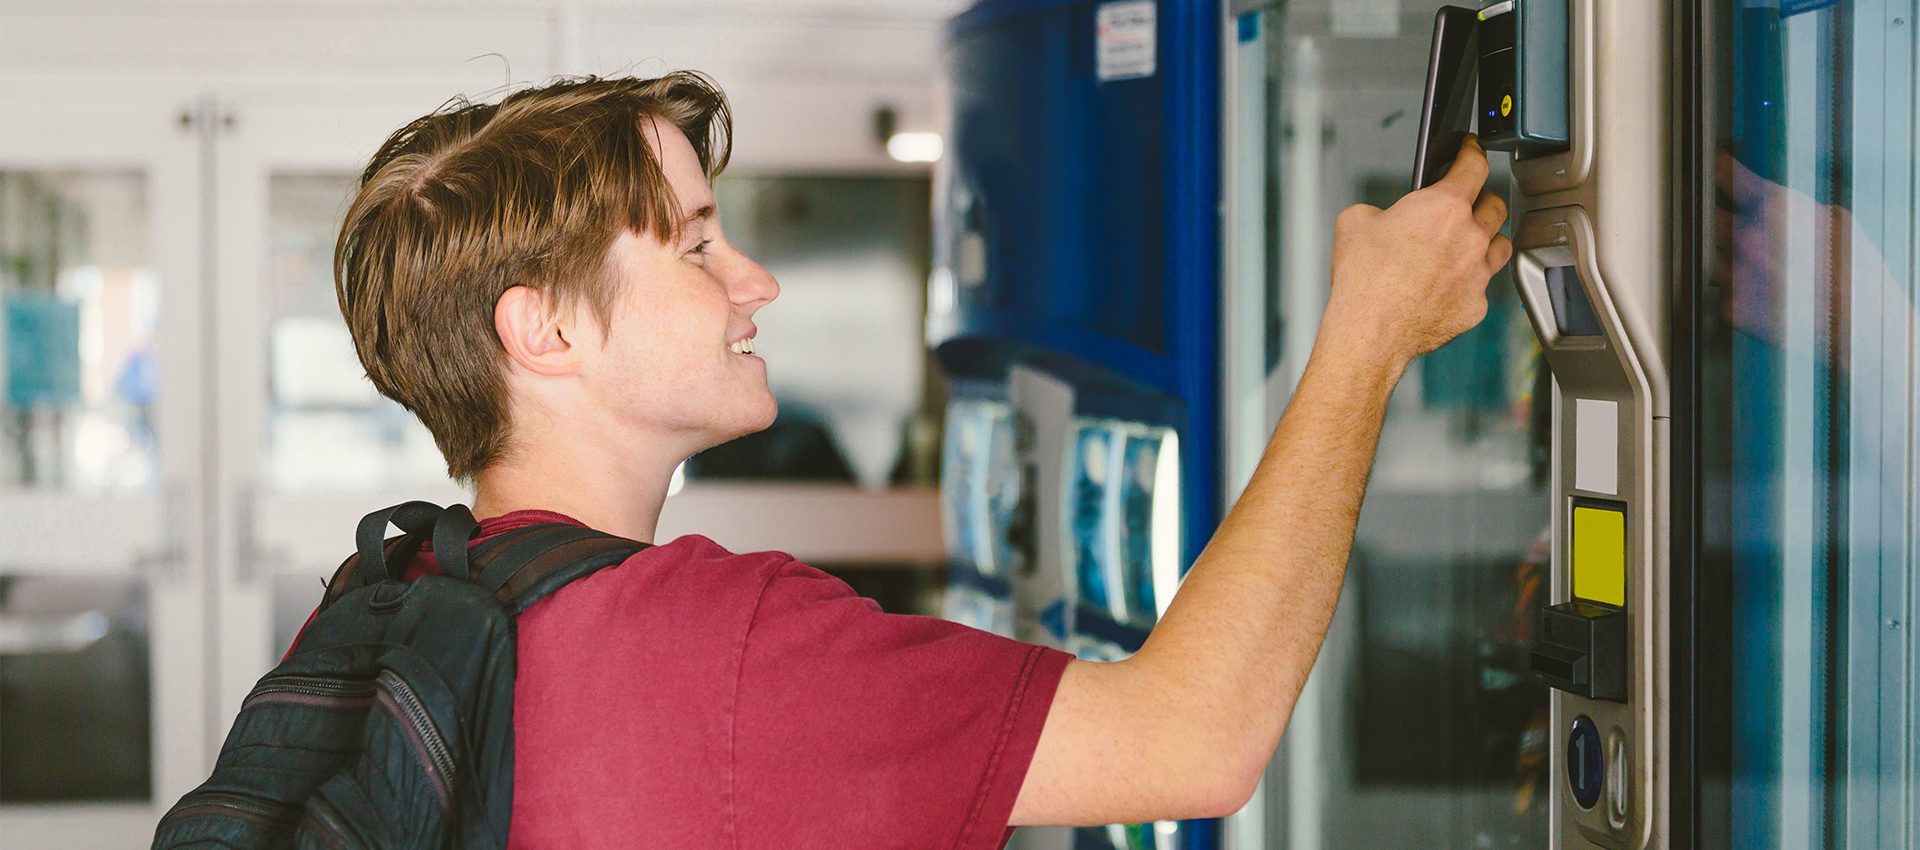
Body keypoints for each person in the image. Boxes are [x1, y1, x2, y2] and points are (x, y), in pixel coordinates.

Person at [330, 72, 1509, 846]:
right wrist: (1371, 332)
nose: (756, 281)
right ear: (546, 331)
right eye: (695, 247)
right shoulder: (718, 644)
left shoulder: (383, 604)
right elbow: (1193, 740)